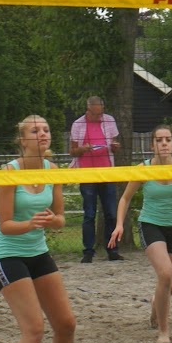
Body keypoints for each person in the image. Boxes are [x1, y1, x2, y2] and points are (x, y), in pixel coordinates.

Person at [0, 115, 80, 343]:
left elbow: (61, 218)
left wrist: (52, 221)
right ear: (22, 140)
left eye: (46, 129)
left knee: (66, 323)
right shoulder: (9, 172)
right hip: (7, 255)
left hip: (37, 252)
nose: (42, 134)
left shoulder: (52, 170)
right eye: (35, 130)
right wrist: (30, 223)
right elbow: (4, 224)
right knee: (34, 328)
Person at [107, 124, 172, 343]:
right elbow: (125, 198)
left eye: (168, 139)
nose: (164, 144)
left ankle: (155, 307)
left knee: (171, 285)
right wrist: (119, 224)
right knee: (165, 274)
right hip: (150, 224)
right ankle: (164, 332)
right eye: (159, 140)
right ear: (152, 145)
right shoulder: (144, 168)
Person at [68, 95, 121, 263]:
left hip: (107, 172)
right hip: (87, 173)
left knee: (111, 213)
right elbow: (72, 151)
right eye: (95, 114)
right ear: (88, 110)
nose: (99, 117)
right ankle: (88, 251)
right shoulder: (78, 124)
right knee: (89, 214)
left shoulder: (109, 120)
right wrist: (83, 149)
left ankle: (112, 250)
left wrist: (115, 146)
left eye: (101, 113)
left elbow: (114, 144)